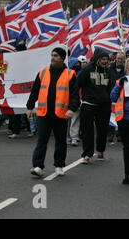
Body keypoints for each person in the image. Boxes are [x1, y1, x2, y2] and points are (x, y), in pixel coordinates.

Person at [27, 47, 80, 177]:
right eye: (52, 55)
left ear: (62, 58)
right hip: (44, 113)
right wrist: (29, 106)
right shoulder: (43, 72)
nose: (53, 58)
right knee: (42, 140)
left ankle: (59, 165)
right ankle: (38, 166)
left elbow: (75, 95)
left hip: (61, 113)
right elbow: (34, 91)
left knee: (61, 141)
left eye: (55, 55)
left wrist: (72, 109)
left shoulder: (70, 74)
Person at [77, 49, 113, 164]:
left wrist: (109, 98)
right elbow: (77, 84)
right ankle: (87, 154)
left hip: (104, 105)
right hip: (89, 104)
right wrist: (75, 101)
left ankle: (101, 151)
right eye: (102, 59)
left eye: (106, 60)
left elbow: (112, 87)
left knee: (102, 129)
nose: (105, 61)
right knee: (87, 130)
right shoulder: (87, 69)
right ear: (97, 59)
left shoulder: (108, 71)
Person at [108, 52, 126, 144]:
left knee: (120, 115)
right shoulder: (110, 68)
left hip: (122, 95)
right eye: (118, 58)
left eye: (121, 59)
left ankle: (120, 134)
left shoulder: (126, 69)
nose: (120, 60)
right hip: (111, 94)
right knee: (111, 115)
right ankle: (110, 134)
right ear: (116, 58)